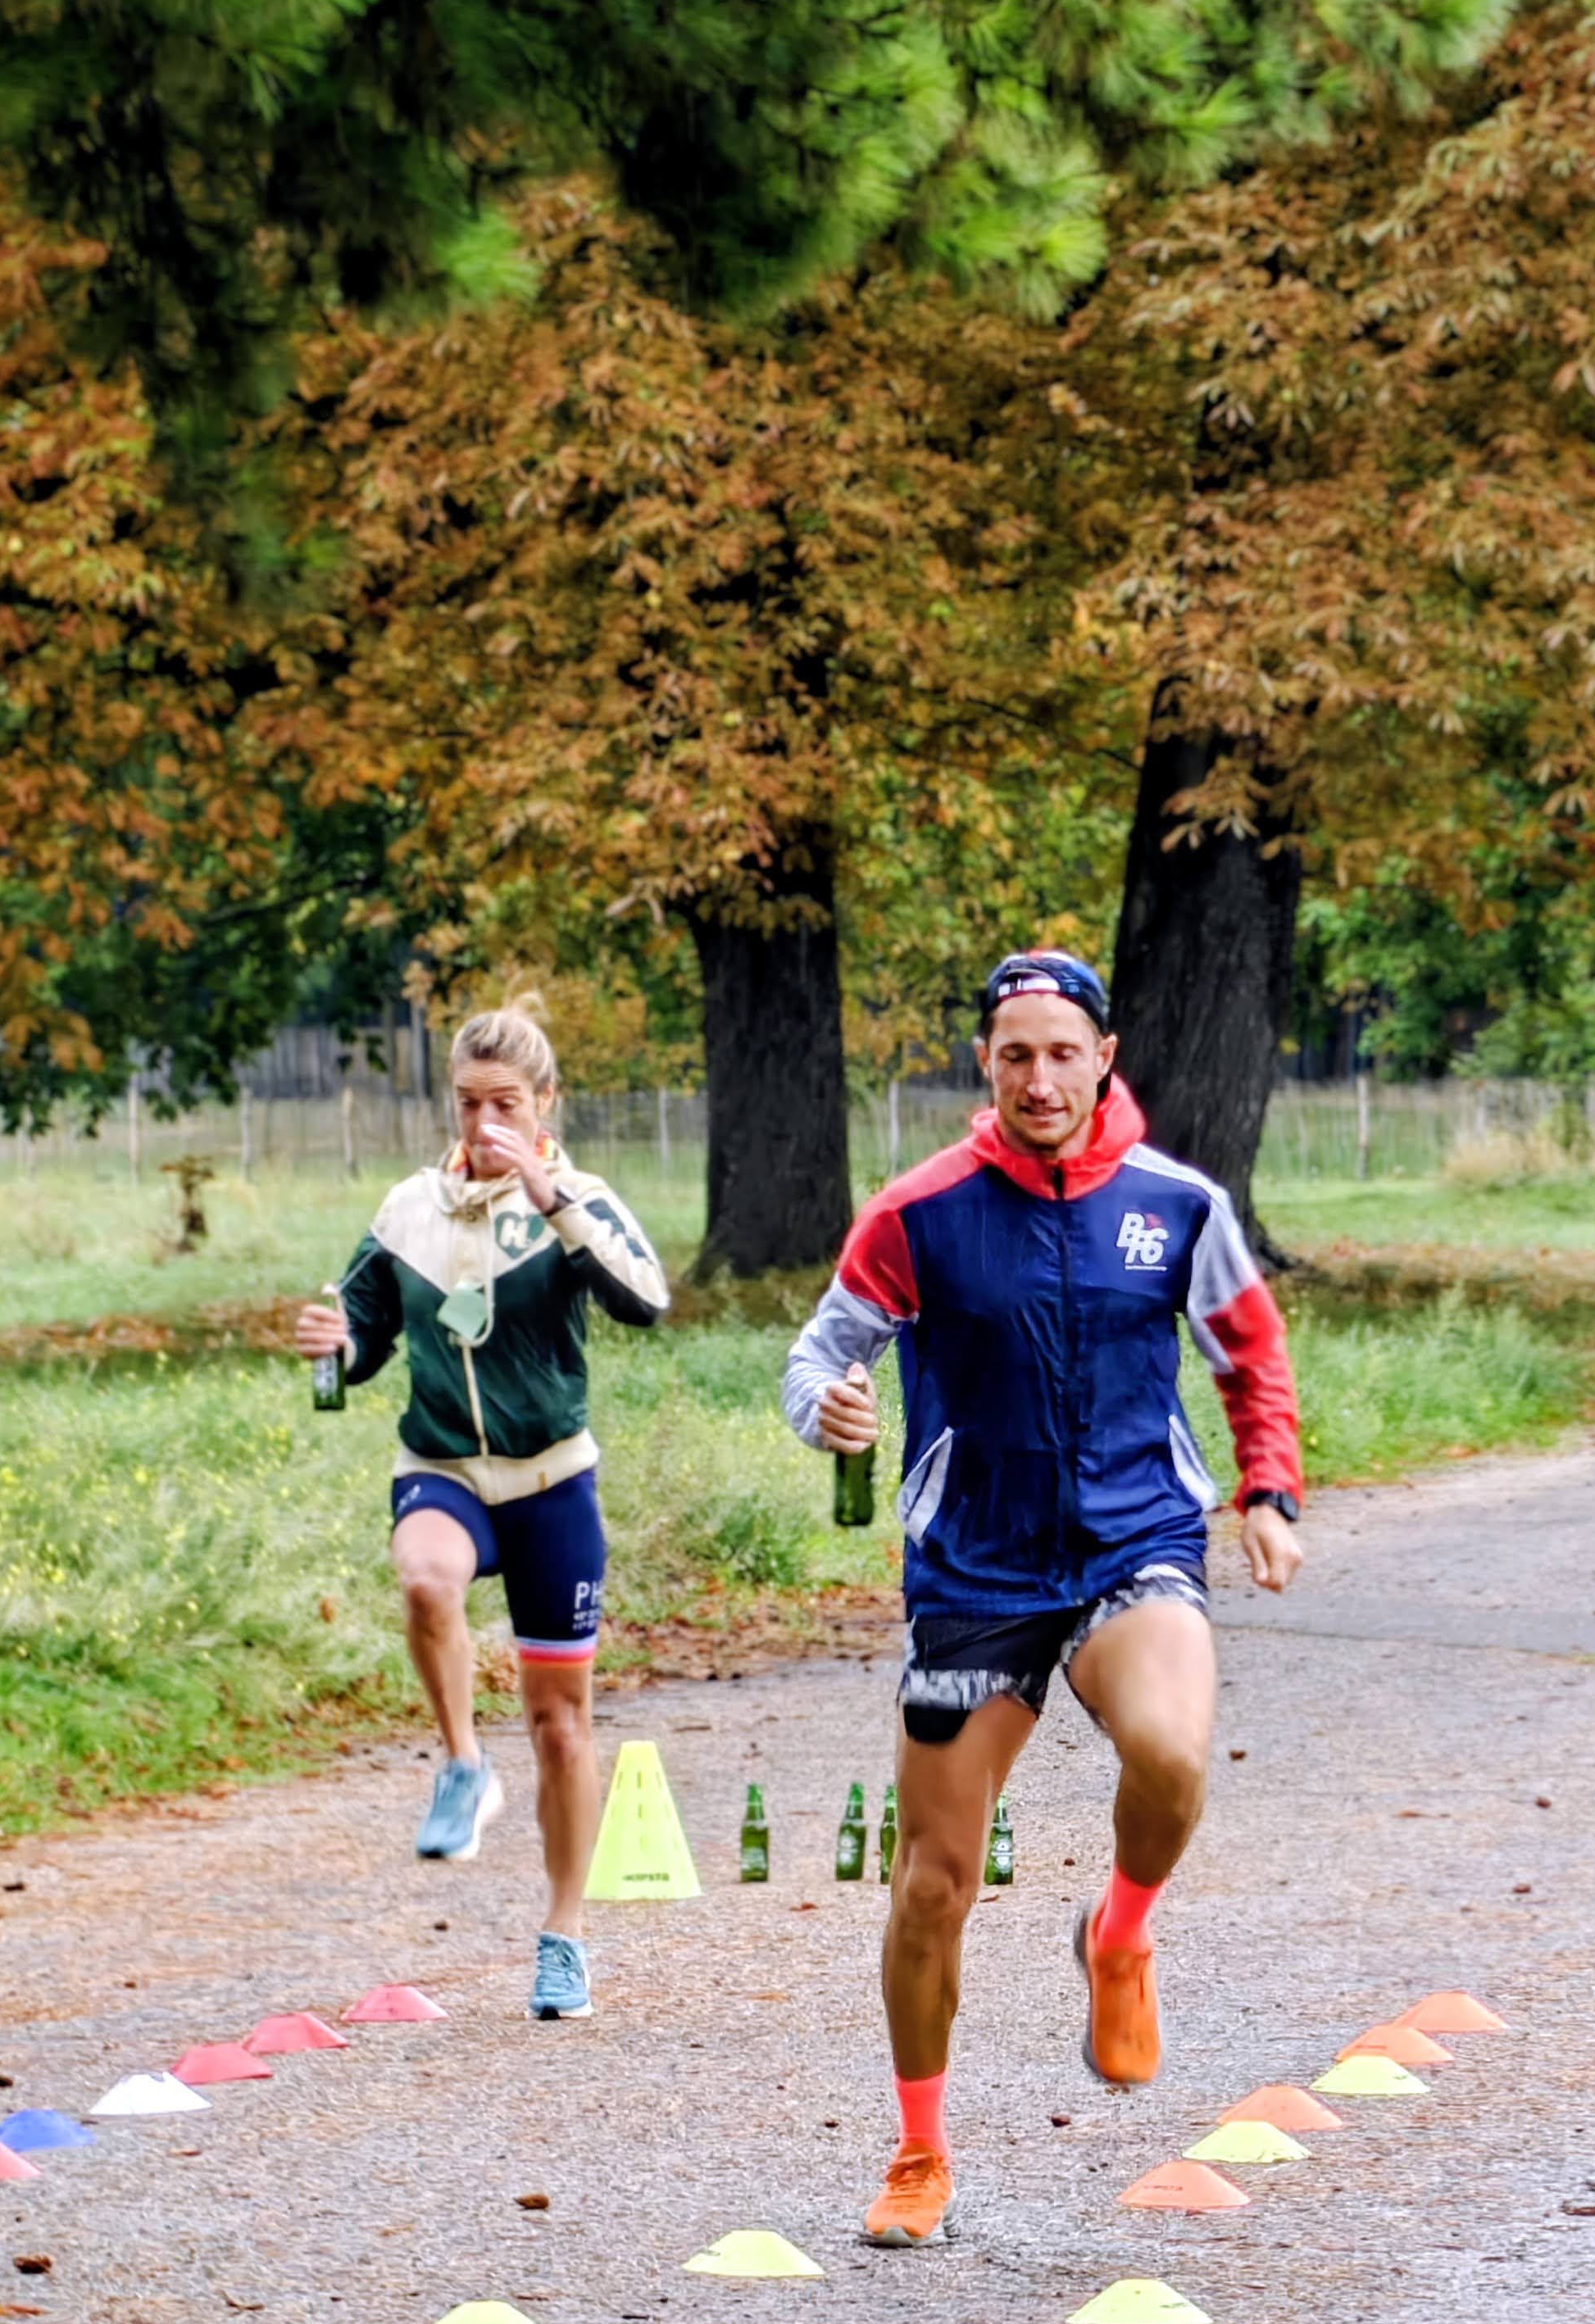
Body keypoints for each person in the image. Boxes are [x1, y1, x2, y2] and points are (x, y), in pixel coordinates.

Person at [783, 949, 1306, 2248]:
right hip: (976, 1566)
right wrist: (827, 1408)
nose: (1040, 1078)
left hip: (1133, 1539)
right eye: (1016, 1054)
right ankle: (919, 2153)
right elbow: (820, 1353)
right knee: (932, 1885)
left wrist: (1268, 1491)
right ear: (985, 1064)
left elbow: (1250, 1351)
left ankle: (1119, 1935)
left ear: (1103, 1057)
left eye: (1064, 1052)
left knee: (1172, 1755)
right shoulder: (919, 1212)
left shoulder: (1177, 1204)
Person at [295, 1002, 670, 2021]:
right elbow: (365, 1329)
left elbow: (647, 1298)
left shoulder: (575, 1196)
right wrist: (336, 1342)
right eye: (468, 1102)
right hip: (444, 1466)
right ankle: (464, 1763)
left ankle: (564, 1937)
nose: (485, 1122)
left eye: (506, 1103)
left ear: (546, 1103)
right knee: (425, 1578)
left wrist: (553, 1201)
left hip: (551, 1479)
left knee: (560, 1726)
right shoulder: (408, 1207)